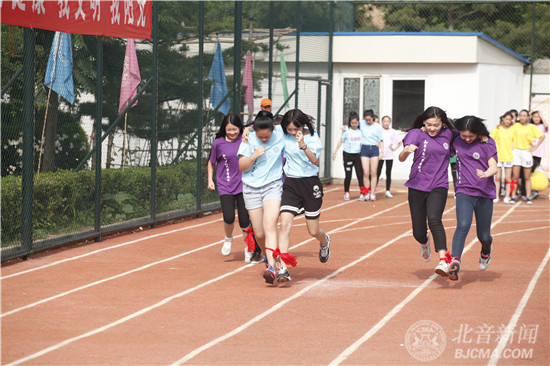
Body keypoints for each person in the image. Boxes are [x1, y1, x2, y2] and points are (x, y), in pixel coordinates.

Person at [398, 106, 454, 277]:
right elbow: (401, 158)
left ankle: (444, 260)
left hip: (439, 184)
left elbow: (468, 133)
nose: (432, 128)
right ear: (424, 122)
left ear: (442, 124)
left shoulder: (449, 134)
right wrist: (406, 152)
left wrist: (482, 138)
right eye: (429, 124)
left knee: (435, 220)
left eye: (436, 125)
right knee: (418, 232)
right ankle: (424, 242)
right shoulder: (416, 134)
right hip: (417, 186)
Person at [277, 109, 331, 282]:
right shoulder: (284, 134)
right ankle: (283, 268)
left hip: (310, 184)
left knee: (313, 230)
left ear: (303, 124)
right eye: (289, 129)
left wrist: (303, 144)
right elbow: (261, 127)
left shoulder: (313, 138)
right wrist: (247, 131)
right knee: (284, 224)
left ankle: (324, 241)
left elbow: (315, 160)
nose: (292, 132)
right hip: (291, 183)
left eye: (295, 129)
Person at [448, 116, 498, 281]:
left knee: (483, 236)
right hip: (464, 190)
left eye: (471, 136)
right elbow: (444, 124)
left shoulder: (487, 143)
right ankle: (455, 261)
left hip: (484, 192)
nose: (467, 139)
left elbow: (494, 167)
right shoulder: (457, 139)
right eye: (464, 135)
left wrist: (485, 174)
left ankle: (486, 249)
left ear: (478, 132)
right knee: (462, 224)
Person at [238, 110, 285, 284]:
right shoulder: (249, 139)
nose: (264, 139)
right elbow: (242, 166)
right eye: (261, 136)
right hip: (251, 188)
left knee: (270, 225)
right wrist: (253, 155)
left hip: (272, 186)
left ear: (273, 130)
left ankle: (272, 267)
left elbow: (293, 125)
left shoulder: (279, 133)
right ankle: (267, 255)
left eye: (267, 136)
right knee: (259, 232)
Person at [207, 114, 262, 263]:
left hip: (244, 185)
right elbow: (211, 162)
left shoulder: (245, 140)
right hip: (225, 185)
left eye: (235, 129)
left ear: (240, 128)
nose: (232, 132)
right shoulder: (218, 143)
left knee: (245, 220)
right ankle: (228, 238)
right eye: (229, 129)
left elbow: (258, 129)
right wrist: (210, 180)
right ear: (224, 129)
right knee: (229, 217)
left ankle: (248, 248)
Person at [510, 109, 545, 204]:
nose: (522, 117)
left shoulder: (531, 127)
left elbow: (542, 136)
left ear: (527, 117)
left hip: (526, 152)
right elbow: (508, 134)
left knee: (527, 177)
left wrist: (535, 147)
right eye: (520, 115)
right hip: (516, 152)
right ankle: (513, 195)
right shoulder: (515, 126)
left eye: (524, 116)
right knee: (515, 176)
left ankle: (528, 197)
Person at [332, 111, 366, 200]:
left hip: (358, 155)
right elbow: (340, 141)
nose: (354, 125)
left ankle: (362, 193)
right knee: (348, 175)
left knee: (360, 174)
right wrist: (335, 152)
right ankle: (346, 192)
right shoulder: (346, 131)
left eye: (356, 123)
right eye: (352, 123)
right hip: (348, 155)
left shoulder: (361, 131)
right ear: (349, 123)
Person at [359, 109, 384, 201]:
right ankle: (366, 192)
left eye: (369, 119)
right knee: (365, 172)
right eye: (366, 120)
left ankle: (372, 193)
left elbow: (381, 140)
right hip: (364, 148)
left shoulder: (378, 127)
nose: (368, 121)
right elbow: (352, 124)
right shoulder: (361, 123)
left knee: (373, 172)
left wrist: (381, 152)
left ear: (373, 118)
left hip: (374, 149)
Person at [490, 111, 514, 203]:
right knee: (498, 178)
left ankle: (507, 196)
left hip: (509, 157)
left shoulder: (513, 130)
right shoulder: (498, 129)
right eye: (506, 119)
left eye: (510, 119)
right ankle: (495, 195)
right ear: (503, 118)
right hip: (499, 156)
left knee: (508, 178)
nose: (508, 121)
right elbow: (490, 138)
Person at [376, 115, 402, 198]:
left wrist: (394, 148)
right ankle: (373, 190)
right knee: (378, 172)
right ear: (382, 122)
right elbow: (375, 140)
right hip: (380, 154)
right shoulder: (379, 131)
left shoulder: (393, 131)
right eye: (384, 121)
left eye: (388, 121)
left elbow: (399, 141)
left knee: (388, 172)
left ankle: (387, 190)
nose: (386, 123)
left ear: (390, 122)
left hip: (389, 155)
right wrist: (377, 146)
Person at [530, 110, 548, 174]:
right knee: (528, 168)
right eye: (534, 117)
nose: (536, 118)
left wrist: (541, 115)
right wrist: (529, 114)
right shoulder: (530, 126)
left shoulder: (542, 126)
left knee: (533, 168)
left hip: (539, 151)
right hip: (530, 150)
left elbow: (546, 125)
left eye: (538, 117)